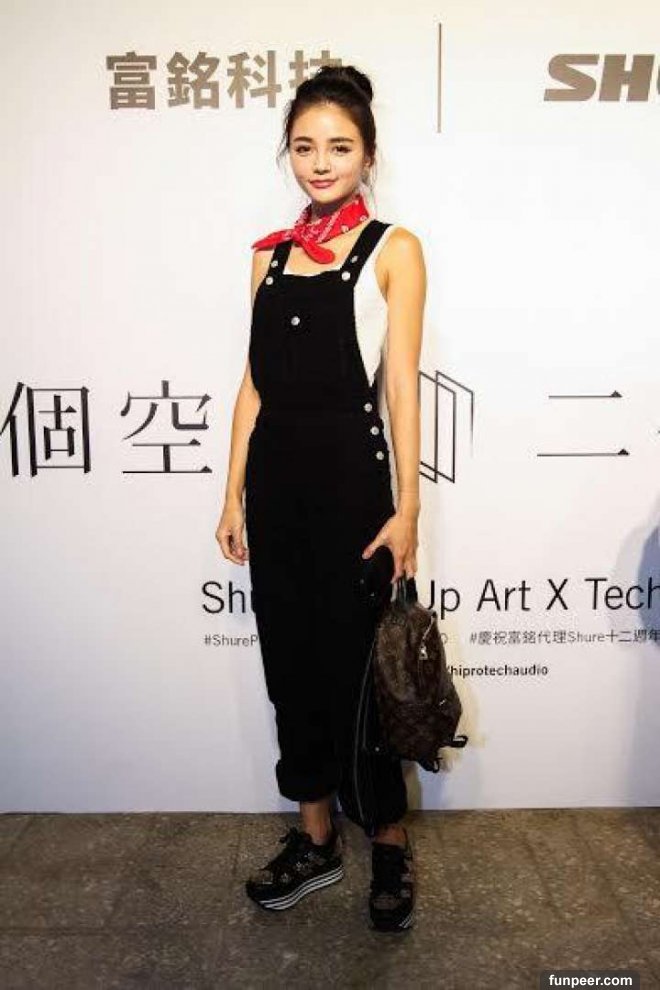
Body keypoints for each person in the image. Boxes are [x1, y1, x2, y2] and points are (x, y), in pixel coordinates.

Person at [216, 64, 426, 933]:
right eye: (304, 147)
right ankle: (314, 839)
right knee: (290, 668)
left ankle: (389, 844)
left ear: (368, 154)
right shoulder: (266, 255)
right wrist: (232, 493)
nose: (320, 162)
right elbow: (253, 385)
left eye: (339, 146)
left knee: (361, 677)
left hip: (353, 490)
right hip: (276, 488)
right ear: (288, 155)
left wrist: (408, 508)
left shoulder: (394, 249)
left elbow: (401, 387)